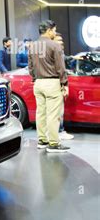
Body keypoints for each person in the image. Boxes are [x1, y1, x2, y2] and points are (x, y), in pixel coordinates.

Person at [28, 20, 70, 152]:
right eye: (54, 30)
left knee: (41, 113)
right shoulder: (54, 45)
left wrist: (35, 79)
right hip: (52, 83)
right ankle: (53, 144)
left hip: (38, 83)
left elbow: (30, 67)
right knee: (53, 115)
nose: (55, 33)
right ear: (49, 30)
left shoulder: (32, 46)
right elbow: (60, 67)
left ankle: (42, 140)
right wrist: (65, 83)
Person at [53, 32, 74, 140]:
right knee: (58, 110)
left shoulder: (59, 52)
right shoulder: (55, 52)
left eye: (62, 41)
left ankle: (56, 132)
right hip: (56, 83)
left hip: (56, 82)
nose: (61, 43)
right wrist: (64, 84)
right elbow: (60, 70)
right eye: (58, 41)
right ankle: (59, 132)